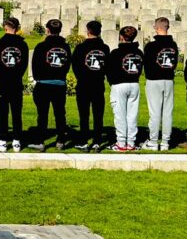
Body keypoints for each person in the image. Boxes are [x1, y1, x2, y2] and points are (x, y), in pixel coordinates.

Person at [28, 19, 71, 151]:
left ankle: (40, 141)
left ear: (47, 30)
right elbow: (67, 64)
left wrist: (39, 78)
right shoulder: (66, 47)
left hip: (44, 84)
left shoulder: (41, 47)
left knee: (42, 114)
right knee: (60, 113)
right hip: (59, 84)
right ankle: (61, 140)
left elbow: (35, 65)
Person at [71, 20, 111, 151]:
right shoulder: (104, 48)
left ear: (87, 31)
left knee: (84, 114)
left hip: (83, 84)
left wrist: (81, 77)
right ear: (99, 32)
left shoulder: (80, 48)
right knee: (98, 114)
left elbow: (75, 66)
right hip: (98, 84)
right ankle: (97, 141)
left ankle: (83, 140)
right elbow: (106, 67)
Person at [0, 17, 29, 151]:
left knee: (2, 111)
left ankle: (2, 140)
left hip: (2, 81)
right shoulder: (23, 45)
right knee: (16, 111)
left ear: (5, 27)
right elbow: (23, 64)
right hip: (16, 81)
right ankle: (16, 141)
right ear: (17, 29)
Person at [143, 17, 180, 151]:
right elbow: (174, 63)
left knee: (155, 112)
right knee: (167, 113)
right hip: (168, 80)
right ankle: (165, 142)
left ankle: (153, 141)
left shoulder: (151, 46)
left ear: (157, 28)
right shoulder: (173, 45)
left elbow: (146, 64)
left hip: (154, 80)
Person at [107, 25, 144, 151]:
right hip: (134, 84)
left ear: (121, 37)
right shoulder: (138, 53)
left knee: (120, 115)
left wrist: (112, 82)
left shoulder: (115, 53)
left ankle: (121, 143)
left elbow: (109, 71)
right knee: (132, 115)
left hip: (119, 85)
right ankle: (131, 143)